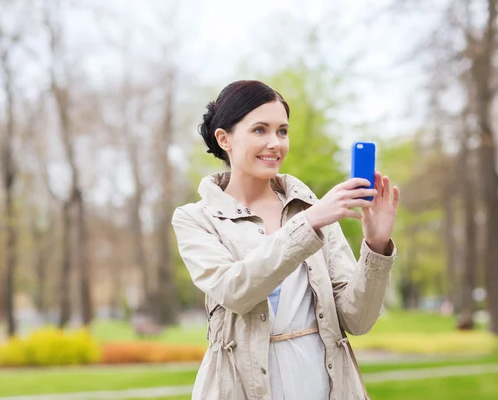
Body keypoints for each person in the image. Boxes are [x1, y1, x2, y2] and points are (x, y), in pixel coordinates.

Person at [171, 80, 399, 400]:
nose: (275, 143)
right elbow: (235, 291)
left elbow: (356, 320)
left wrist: (376, 247)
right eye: (260, 130)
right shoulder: (196, 218)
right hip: (242, 387)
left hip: (325, 383)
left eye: (282, 131)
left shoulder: (312, 207)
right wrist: (310, 223)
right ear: (224, 139)